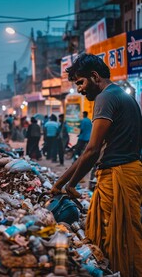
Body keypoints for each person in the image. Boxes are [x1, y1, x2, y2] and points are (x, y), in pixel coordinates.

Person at [51, 53, 142, 277]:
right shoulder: (124, 96)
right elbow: (92, 151)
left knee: (121, 236)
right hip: (125, 171)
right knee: (109, 233)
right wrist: (62, 182)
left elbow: (92, 150)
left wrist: (69, 185)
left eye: (81, 82)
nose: (80, 89)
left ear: (94, 76)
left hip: (119, 174)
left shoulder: (105, 98)